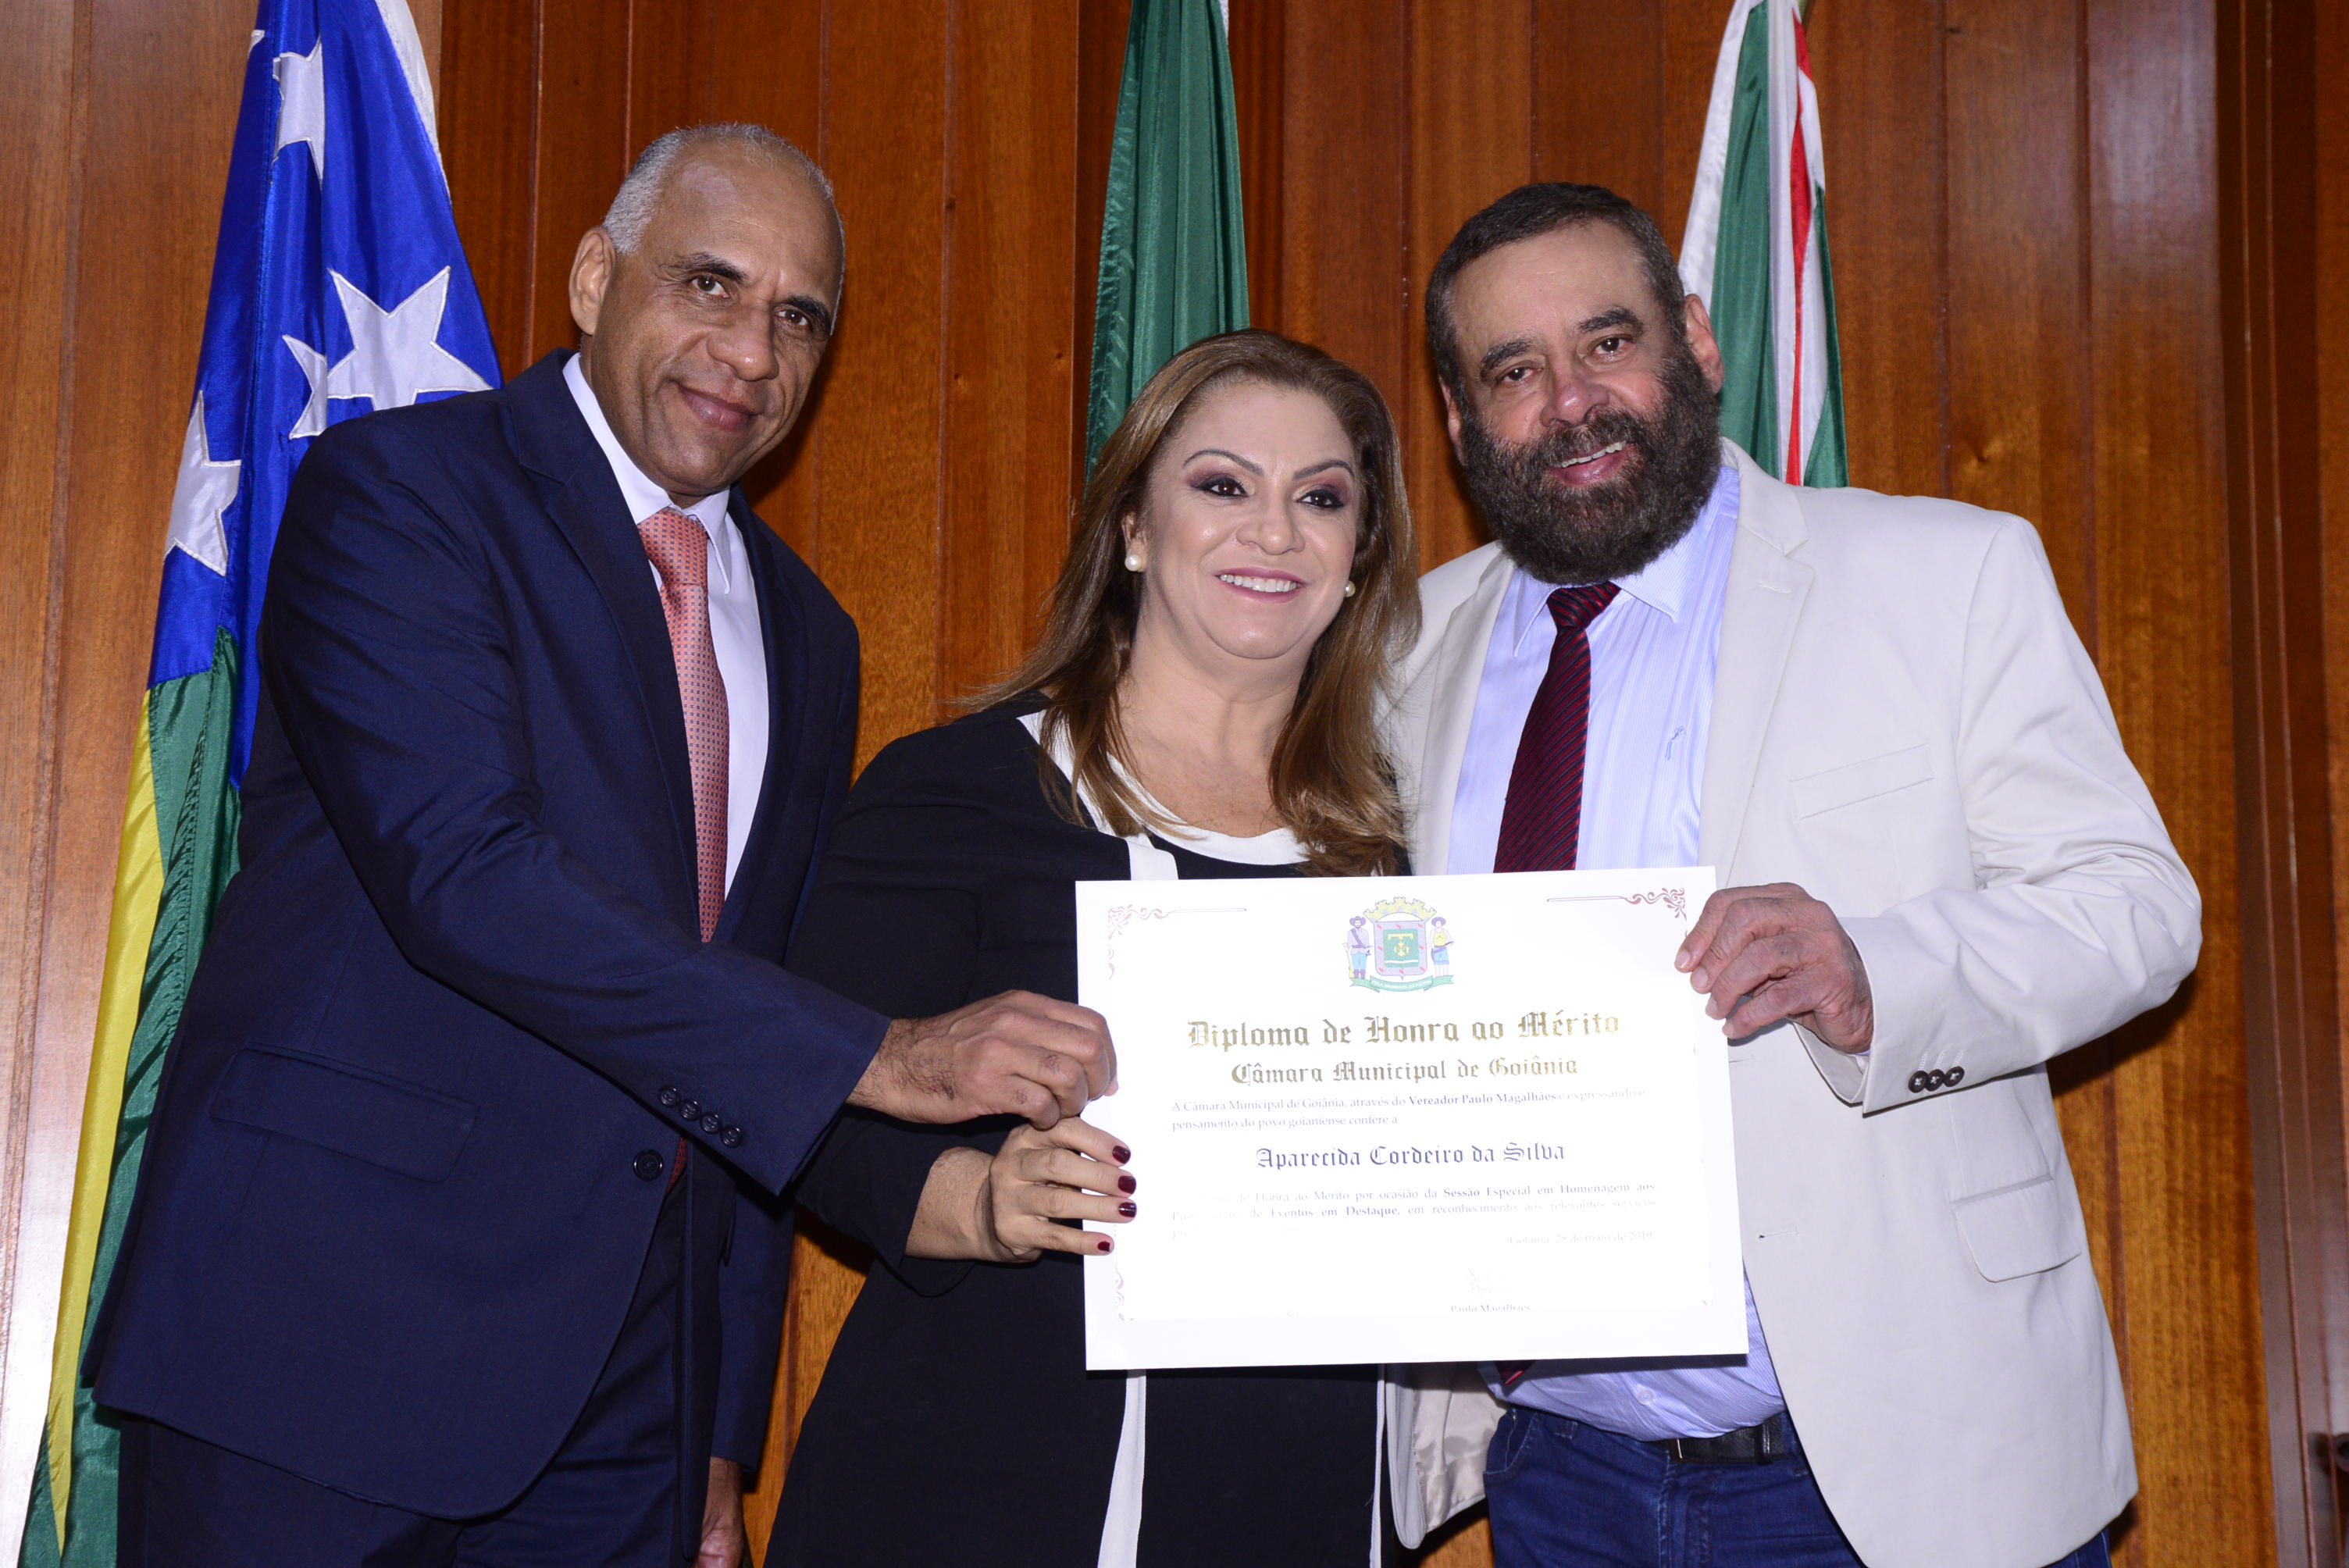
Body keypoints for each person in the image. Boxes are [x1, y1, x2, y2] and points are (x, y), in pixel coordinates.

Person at [87, 123, 1112, 1568]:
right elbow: (465, 876)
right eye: (709, 283)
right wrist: (888, 1056)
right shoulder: (402, 491)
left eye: (799, 318)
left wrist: (718, 1423)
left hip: (629, 1408)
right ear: (593, 279)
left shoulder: (811, 634)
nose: (751, 353)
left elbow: (747, 1012)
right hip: (320, 1343)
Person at [1383, 184, 2199, 1568]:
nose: (1573, 402)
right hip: (1565, 1479)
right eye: (1514, 372)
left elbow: (2135, 907)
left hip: (1910, 1465)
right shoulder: (1403, 651)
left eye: (1608, 342)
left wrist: (1879, 971)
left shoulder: (1946, 575)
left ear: (1697, 341)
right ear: (1462, 423)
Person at [768, 330, 1418, 1568]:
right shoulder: (959, 792)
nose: (1274, 531)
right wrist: (984, 1200)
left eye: (1321, 499)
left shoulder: (1408, 848)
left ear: (1359, 561)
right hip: (988, 1490)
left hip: (1307, 1492)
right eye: (1223, 484)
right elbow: (801, 1099)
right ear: (1131, 528)